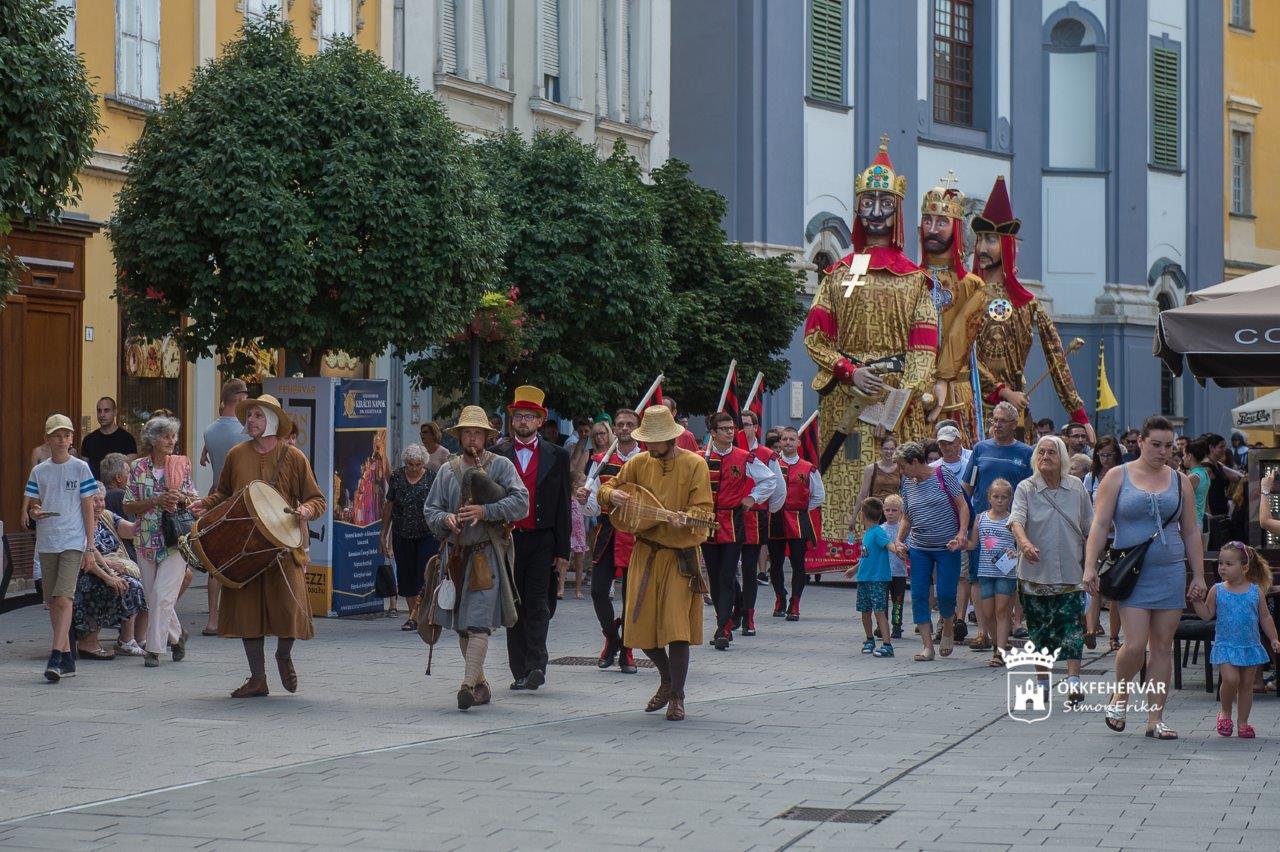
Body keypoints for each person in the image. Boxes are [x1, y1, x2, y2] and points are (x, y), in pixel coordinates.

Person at [803, 136, 939, 535]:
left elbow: (924, 350)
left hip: (896, 399)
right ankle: (838, 545)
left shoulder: (915, 280)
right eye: (868, 202)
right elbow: (815, 336)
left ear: (897, 210)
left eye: (885, 203)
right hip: (846, 395)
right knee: (843, 471)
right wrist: (849, 371)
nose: (876, 212)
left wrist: (900, 399)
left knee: (895, 479)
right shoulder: (840, 274)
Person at [195, 395, 326, 697]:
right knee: (247, 613)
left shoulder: (294, 457)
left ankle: (283, 654)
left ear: (273, 420)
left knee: (289, 608)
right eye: (249, 415)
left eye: (257, 415)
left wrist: (306, 510)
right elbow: (223, 493)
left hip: (283, 547)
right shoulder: (236, 454)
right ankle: (258, 679)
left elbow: (316, 499)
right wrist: (206, 504)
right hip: (243, 544)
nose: (250, 420)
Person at [1085, 416, 1206, 741]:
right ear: (1140, 442)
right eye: (1155, 444)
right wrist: (1090, 566)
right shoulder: (1117, 476)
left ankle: (1156, 718)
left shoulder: (1180, 480)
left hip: (1170, 570)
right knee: (1136, 644)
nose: (1162, 452)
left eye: (1168, 446)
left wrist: (1198, 575)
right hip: (1132, 572)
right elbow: (1100, 524)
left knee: (1163, 647)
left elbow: (1191, 530)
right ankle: (1121, 693)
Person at [598, 405, 714, 721]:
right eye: (646, 439)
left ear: (670, 438)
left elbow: (705, 512)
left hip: (679, 557)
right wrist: (611, 496)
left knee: (677, 630)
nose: (649, 445)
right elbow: (607, 488)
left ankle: (677, 695)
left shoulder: (694, 464)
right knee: (639, 629)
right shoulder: (638, 463)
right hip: (646, 553)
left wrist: (686, 518)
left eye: (655, 440)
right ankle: (666, 679)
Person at [959, 176, 1093, 443]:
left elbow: (1057, 357)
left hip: (1016, 413)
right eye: (980, 239)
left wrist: (1079, 414)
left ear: (1007, 246)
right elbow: (962, 354)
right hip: (971, 409)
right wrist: (1002, 391)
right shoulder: (966, 296)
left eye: (991, 240)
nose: (982, 248)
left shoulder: (1028, 303)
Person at [422, 406, 529, 710]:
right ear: (459, 436)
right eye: (467, 432)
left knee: (478, 622)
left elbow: (521, 503)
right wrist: (445, 519)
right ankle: (480, 684)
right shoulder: (447, 470)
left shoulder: (501, 466)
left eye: (477, 433)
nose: (472, 438)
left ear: (486, 437)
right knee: (462, 624)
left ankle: (467, 685)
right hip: (455, 557)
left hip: (486, 555)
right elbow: (430, 510)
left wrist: (485, 511)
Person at [1009, 436, 1093, 704]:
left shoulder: (1076, 487)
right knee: (1039, 631)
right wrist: (1025, 544)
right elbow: (1016, 520)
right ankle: (1043, 684)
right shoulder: (1026, 487)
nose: (1045, 456)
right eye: (1041, 452)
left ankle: (1073, 681)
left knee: (1072, 628)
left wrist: (1092, 565)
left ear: (1062, 458)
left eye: (1052, 453)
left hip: (1071, 571)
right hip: (1035, 574)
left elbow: (1090, 527)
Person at [497, 386, 571, 691]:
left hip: (543, 539)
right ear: (512, 420)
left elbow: (564, 504)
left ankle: (537, 664)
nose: (523, 421)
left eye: (530, 416)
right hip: (509, 540)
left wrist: (563, 551)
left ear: (540, 421)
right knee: (514, 605)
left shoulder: (558, 455)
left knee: (538, 604)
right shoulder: (499, 455)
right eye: (519, 416)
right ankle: (519, 670)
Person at [23, 414, 97, 682]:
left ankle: (55, 655)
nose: (62, 440)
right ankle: (66, 656)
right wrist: (35, 512)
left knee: (65, 598)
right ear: (47, 439)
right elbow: (34, 504)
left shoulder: (80, 468)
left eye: (66, 435)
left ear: (72, 438)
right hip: (47, 541)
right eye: (57, 435)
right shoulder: (40, 471)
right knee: (53, 601)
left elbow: (88, 507)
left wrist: (90, 546)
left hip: (72, 541)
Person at [123, 415, 198, 668]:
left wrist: (180, 498)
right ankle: (178, 636)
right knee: (152, 597)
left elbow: (194, 499)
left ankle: (154, 650)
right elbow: (128, 505)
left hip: (175, 538)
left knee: (162, 595)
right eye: (166, 436)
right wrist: (155, 500)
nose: (171, 441)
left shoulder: (180, 465)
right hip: (145, 538)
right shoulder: (137, 467)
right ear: (153, 440)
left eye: (173, 436)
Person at [702, 411, 778, 649]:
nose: (729, 432)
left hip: (732, 522)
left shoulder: (744, 457)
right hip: (706, 523)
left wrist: (752, 498)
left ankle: (723, 628)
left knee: (727, 575)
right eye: (724, 429)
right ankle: (726, 616)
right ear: (713, 433)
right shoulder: (701, 458)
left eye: (731, 428)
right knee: (714, 576)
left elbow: (770, 480)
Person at [1190, 541, 1280, 739]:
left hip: (1249, 645)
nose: (1222, 567)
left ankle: (1243, 722)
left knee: (1246, 685)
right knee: (1231, 679)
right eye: (1221, 563)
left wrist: (1274, 638)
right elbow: (1206, 614)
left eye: (1229, 564)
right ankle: (1225, 712)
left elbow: (1265, 617)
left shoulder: (1255, 591)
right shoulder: (1217, 590)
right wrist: (1197, 601)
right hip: (1226, 644)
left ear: (1244, 567)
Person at [920, 179, 985, 442]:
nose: (932, 229)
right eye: (927, 221)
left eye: (942, 222)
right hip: (914, 387)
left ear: (955, 227)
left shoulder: (972, 285)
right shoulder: (910, 279)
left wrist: (943, 378)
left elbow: (961, 333)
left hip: (956, 389)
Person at [891, 441, 969, 660]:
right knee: (919, 595)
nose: (901, 471)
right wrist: (899, 540)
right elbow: (907, 517)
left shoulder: (943, 474)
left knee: (946, 594)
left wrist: (961, 533)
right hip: (919, 548)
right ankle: (927, 646)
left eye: (903, 466)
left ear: (915, 461)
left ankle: (948, 626)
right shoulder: (907, 483)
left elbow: (962, 505)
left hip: (947, 546)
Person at [580, 408, 644, 674]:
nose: (625, 428)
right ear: (614, 429)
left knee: (632, 597)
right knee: (598, 591)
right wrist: (584, 500)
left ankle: (627, 648)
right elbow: (592, 508)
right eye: (620, 424)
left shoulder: (648, 460)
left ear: (638, 428)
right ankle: (611, 636)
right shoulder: (600, 461)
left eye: (630, 424)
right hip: (608, 533)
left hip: (638, 536)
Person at [199, 379, 250, 635]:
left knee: (215, 560)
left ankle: (212, 619)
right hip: (240, 500)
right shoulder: (245, 432)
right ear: (240, 399)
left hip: (215, 498)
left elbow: (209, 450)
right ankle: (239, 617)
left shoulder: (209, 431)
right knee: (243, 557)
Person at [74, 483, 147, 660]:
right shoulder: (78, 520)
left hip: (108, 566)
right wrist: (110, 573)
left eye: (102, 500)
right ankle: (124, 641)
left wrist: (146, 516)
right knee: (131, 584)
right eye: (95, 500)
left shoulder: (106, 516)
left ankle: (139, 638)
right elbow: (86, 554)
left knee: (150, 584)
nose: (99, 505)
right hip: (85, 571)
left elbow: (131, 530)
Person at [734, 408, 785, 637]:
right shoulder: (729, 451)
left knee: (748, 569)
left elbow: (778, 489)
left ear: (755, 428)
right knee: (727, 569)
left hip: (754, 517)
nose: (742, 429)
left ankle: (749, 616)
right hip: (729, 517)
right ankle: (737, 606)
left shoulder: (767, 454)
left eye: (747, 424)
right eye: (740, 424)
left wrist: (763, 508)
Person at [769, 425, 825, 621]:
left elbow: (819, 496)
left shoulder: (809, 468)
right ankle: (780, 597)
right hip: (775, 519)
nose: (788, 442)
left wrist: (802, 509)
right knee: (775, 563)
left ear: (798, 443)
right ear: (780, 442)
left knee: (798, 563)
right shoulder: (772, 464)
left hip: (798, 521)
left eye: (792, 439)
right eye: (784, 439)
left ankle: (795, 602)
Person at [380, 443, 437, 631]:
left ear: (423, 464)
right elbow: (389, 506)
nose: (413, 468)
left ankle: (423, 615)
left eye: (417, 465)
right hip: (402, 534)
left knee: (424, 574)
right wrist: (383, 533)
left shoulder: (432, 478)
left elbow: (439, 505)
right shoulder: (397, 477)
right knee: (406, 576)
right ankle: (413, 616)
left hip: (427, 534)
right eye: (410, 464)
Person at [932, 423, 976, 645]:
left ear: (959, 442)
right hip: (939, 529)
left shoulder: (970, 467)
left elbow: (973, 497)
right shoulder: (932, 468)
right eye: (942, 444)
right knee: (942, 575)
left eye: (950, 443)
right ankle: (944, 618)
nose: (946, 447)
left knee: (962, 574)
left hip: (962, 529)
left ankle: (959, 619)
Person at [1083, 436, 1123, 650]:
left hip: (1119, 537)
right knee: (1093, 582)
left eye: (1110, 455)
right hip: (1097, 535)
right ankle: (1091, 629)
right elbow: (1086, 506)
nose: (1106, 459)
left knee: (1115, 587)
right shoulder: (1091, 478)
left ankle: (1114, 636)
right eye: (1102, 455)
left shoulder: (1124, 475)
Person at [974, 479, 1016, 667]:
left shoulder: (1013, 520)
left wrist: (1016, 553)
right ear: (989, 498)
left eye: (1004, 497)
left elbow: (1022, 543)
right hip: (985, 571)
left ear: (1010, 499)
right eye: (996, 496)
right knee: (987, 612)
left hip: (1006, 572)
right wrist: (960, 543)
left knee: (1001, 610)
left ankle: (1000, 651)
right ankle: (997, 643)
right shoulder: (981, 518)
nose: (999, 500)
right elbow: (973, 543)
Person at [845, 497, 893, 657]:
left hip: (877, 579)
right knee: (865, 611)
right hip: (864, 578)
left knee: (879, 611)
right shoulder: (868, 533)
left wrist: (897, 549)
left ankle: (887, 645)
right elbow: (866, 557)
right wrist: (855, 569)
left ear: (862, 515)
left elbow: (888, 544)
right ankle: (869, 639)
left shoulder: (878, 532)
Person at [81, 397, 138, 480]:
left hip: (120, 486)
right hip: (94, 486)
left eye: (106, 410)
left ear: (115, 412)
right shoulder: (88, 440)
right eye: (99, 411)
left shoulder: (127, 439)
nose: (102, 415)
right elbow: (84, 471)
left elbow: (131, 471)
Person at [1203, 433, 1242, 550]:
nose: (1224, 450)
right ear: (1211, 448)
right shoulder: (1206, 467)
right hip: (1213, 512)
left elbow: (1236, 477)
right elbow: (1204, 493)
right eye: (1221, 447)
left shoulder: (1217, 465)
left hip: (1222, 510)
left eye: (1225, 446)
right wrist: (1208, 513)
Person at [853, 436, 901, 531]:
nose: (889, 452)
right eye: (886, 448)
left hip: (893, 512)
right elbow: (863, 494)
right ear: (881, 450)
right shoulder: (871, 469)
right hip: (875, 512)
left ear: (896, 450)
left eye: (892, 449)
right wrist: (853, 517)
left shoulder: (900, 468)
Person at [882, 494, 908, 639]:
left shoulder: (903, 529)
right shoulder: (880, 529)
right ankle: (882, 626)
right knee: (882, 602)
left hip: (899, 572)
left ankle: (897, 626)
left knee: (898, 601)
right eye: (887, 510)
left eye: (894, 510)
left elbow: (908, 547)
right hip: (883, 572)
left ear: (900, 512)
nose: (890, 513)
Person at [564, 469, 589, 599]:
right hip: (568, 532)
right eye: (583, 481)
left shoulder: (582, 499)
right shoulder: (567, 498)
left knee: (579, 562)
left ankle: (578, 590)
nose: (585, 484)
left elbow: (588, 508)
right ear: (574, 484)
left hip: (579, 533)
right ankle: (560, 588)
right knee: (564, 561)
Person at [1181, 438, 1211, 530]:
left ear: (1189, 456)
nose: (1183, 458)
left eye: (1184, 455)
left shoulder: (1193, 477)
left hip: (1190, 522)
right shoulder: (1204, 472)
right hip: (1198, 520)